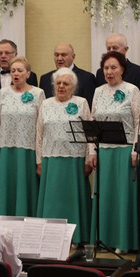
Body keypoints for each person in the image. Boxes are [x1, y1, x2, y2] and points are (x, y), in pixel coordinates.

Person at [87, 51, 140, 252]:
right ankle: (104, 239)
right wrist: (92, 151)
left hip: (124, 150)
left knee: (122, 196)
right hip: (104, 151)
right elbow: (93, 120)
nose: (109, 72)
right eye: (106, 68)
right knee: (104, 196)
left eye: (113, 67)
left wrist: (136, 149)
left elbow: (138, 121)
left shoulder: (132, 90)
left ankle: (122, 242)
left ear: (122, 69)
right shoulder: (98, 91)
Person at [36, 68, 92, 244]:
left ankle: (75, 238)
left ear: (73, 86)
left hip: (75, 160)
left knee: (72, 201)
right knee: (53, 201)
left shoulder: (82, 103)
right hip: (51, 159)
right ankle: (51, 237)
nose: (61, 86)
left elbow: (90, 133)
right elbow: (39, 134)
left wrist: (89, 157)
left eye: (65, 83)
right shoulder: (45, 104)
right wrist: (39, 161)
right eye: (58, 83)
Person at [0, 57, 44, 221]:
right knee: (6, 188)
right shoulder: (3, 92)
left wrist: (39, 156)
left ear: (28, 74)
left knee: (25, 189)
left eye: (20, 70)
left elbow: (40, 125)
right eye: (13, 71)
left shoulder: (38, 93)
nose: (16, 74)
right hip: (6, 149)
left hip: (28, 150)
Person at [39, 42, 96, 107]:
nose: (59, 58)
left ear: (73, 56)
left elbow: (89, 108)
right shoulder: (45, 79)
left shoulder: (87, 78)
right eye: (56, 55)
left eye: (63, 55)